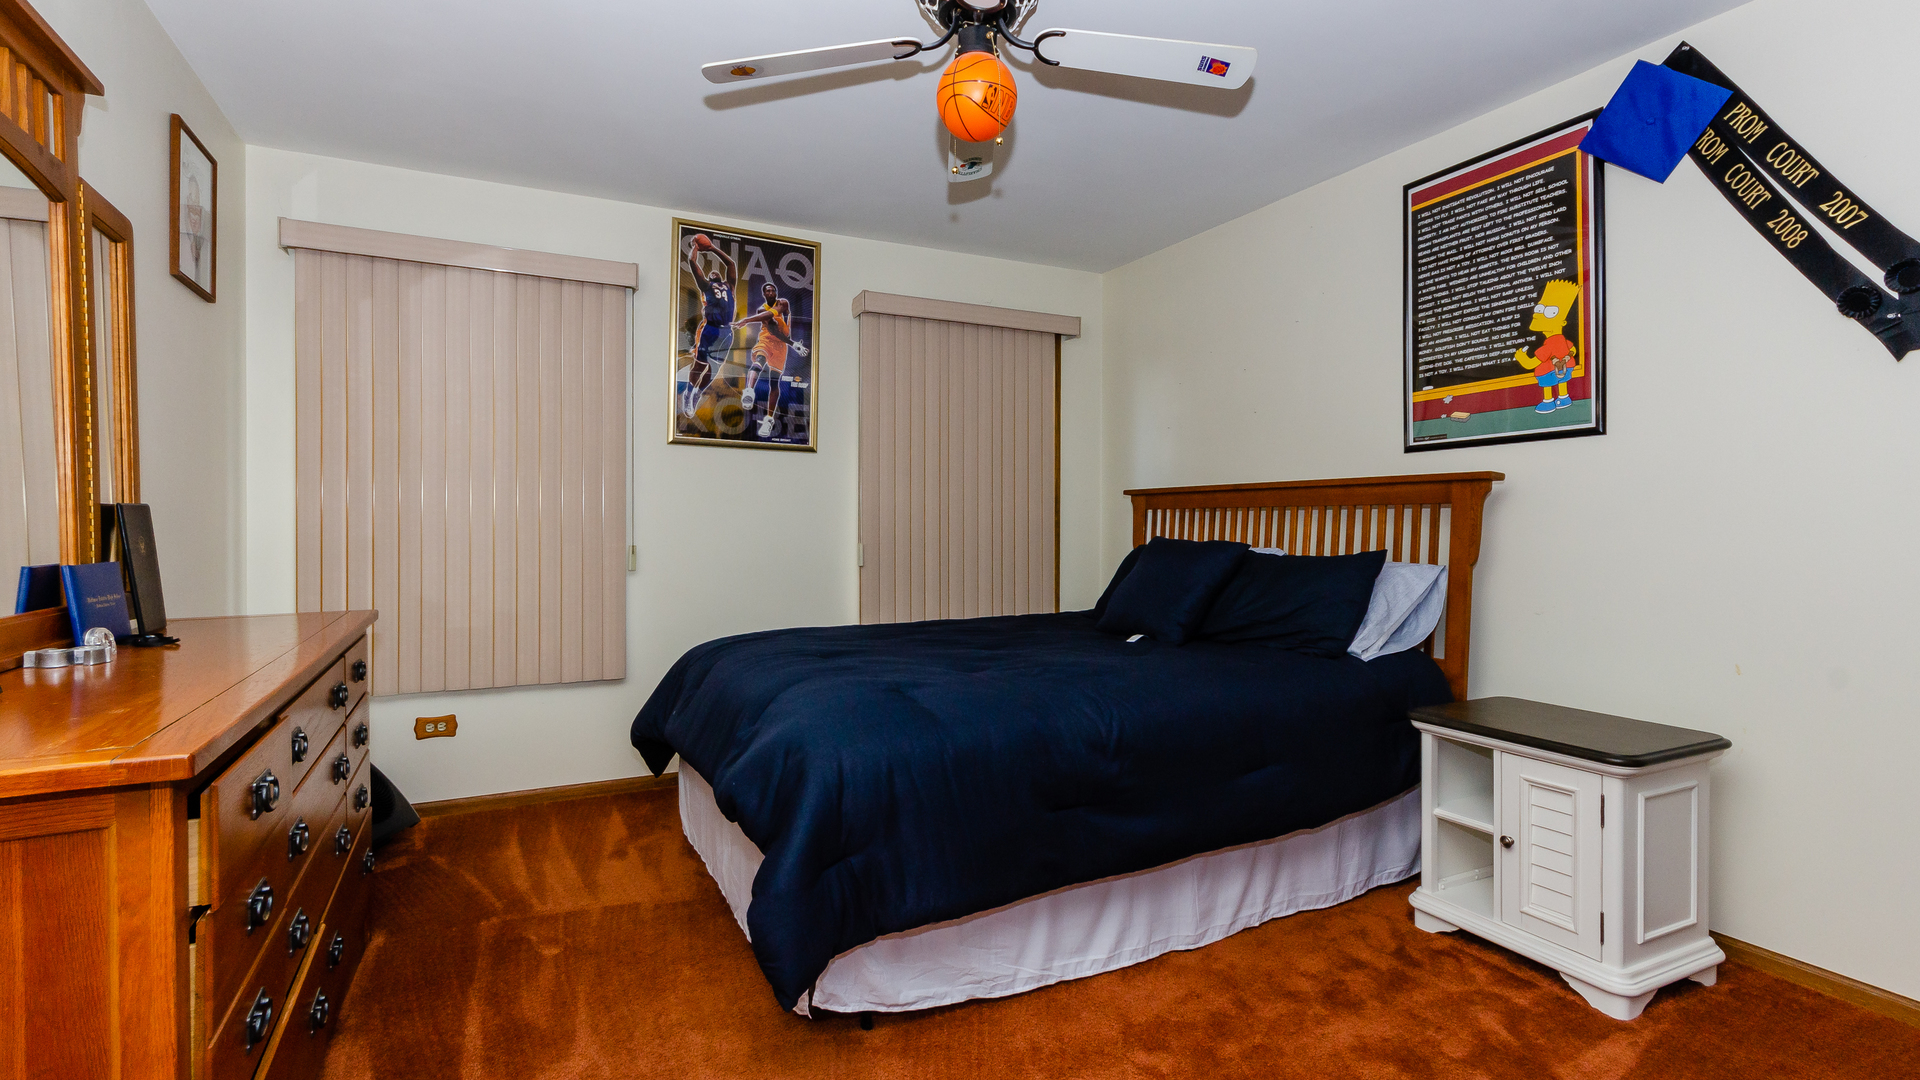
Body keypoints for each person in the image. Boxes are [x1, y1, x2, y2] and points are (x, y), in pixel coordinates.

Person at [733, 282, 809, 439]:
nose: (771, 292)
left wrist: (747, 320)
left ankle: (769, 420)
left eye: (773, 290)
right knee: (759, 360)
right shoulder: (762, 310)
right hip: (767, 341)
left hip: (781, 347)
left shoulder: (782, 303)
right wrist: (794, 344)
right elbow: (773, 329)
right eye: (768, 290)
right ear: (764, 294)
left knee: (774, 383)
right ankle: (749, 391)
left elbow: (780, 328)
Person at [682, 235, 739, 419]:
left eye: (717, 272)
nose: (714, 272)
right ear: (709, 278)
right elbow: (692, 263)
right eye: (711, 273)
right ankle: (688, 393)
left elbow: (731, 264)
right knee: (700, 365)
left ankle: (698, 392)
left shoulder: (730, 286)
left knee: (714, 369)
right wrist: (697, 248)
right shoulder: (706, 286)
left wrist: (713, 248)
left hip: (726, 331)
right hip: (710, 329)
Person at [1513, 278, 1580, 413]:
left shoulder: (1547, 347)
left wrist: (1521, 357)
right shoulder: (1563, 341)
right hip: (1567, 368)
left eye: (1550, 312)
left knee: (1548, 386)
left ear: (1563, 322)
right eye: (1539, 309)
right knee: (1562, 383)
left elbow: (1531, 364)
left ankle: (1548, 402)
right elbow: (1572, 349)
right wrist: (1567, 356)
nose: (1538, 315)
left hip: (1548, 372)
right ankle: (1564, 398)